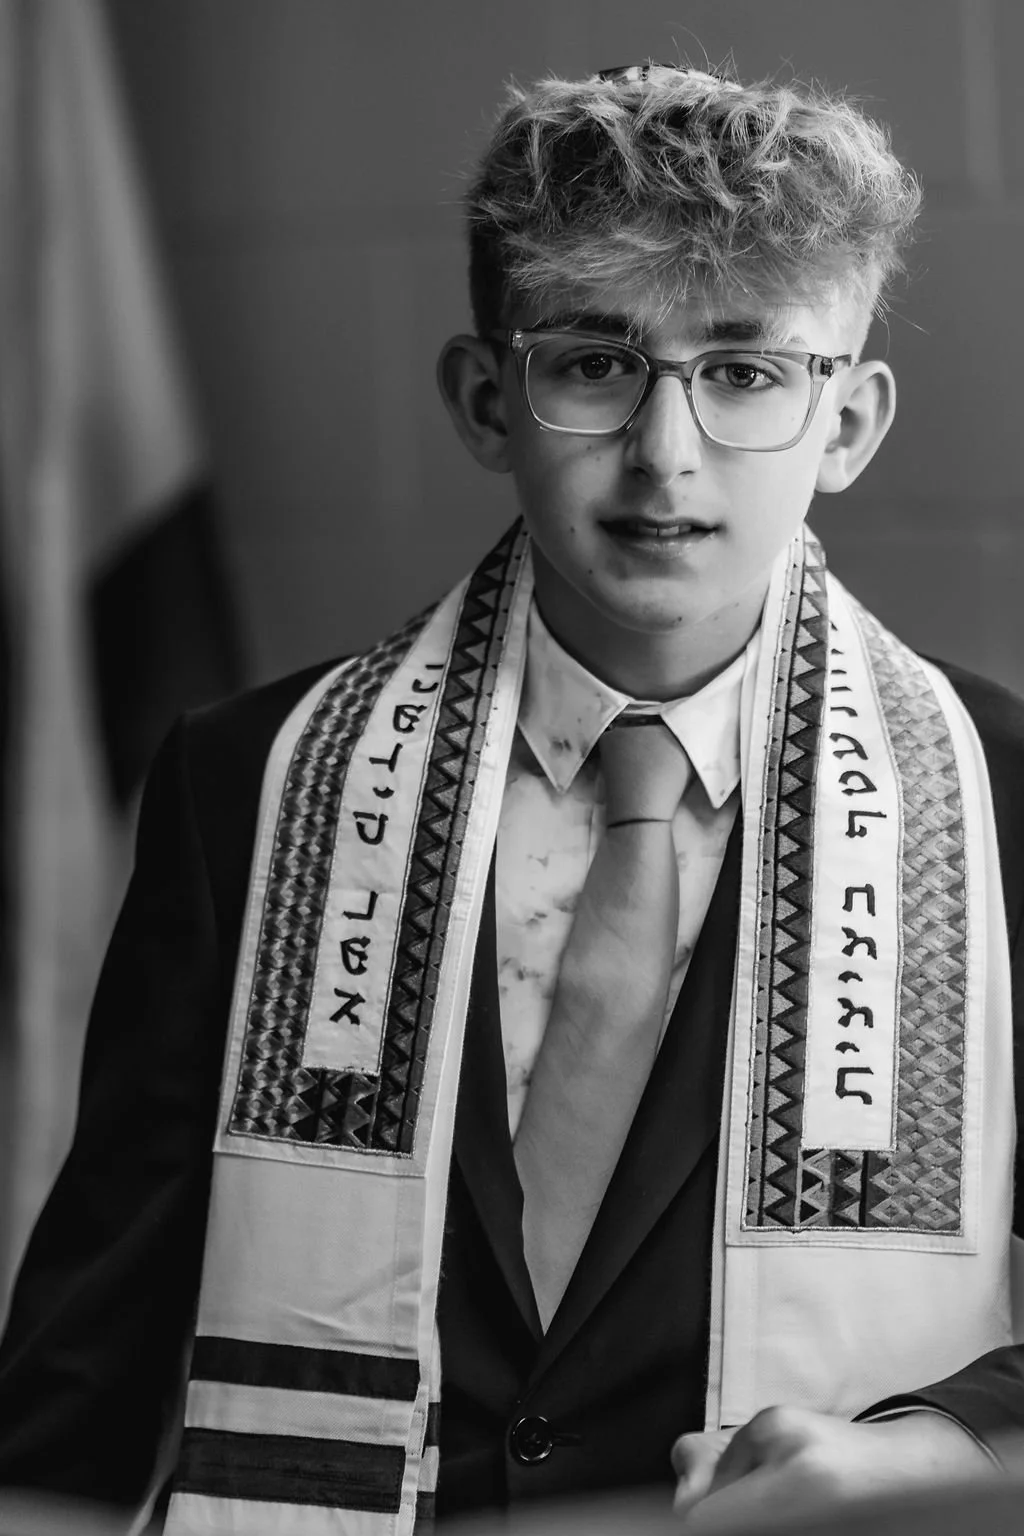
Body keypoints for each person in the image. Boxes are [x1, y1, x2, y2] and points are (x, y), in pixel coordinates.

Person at [0, 59, 1022, 1536]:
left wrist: (954, 1445)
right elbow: (79, 1382)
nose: (666, 455)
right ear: (490, 397)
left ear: (849, 423)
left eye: (743, 371)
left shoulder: (1005, 807)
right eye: (595, 362)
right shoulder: (255, 787)